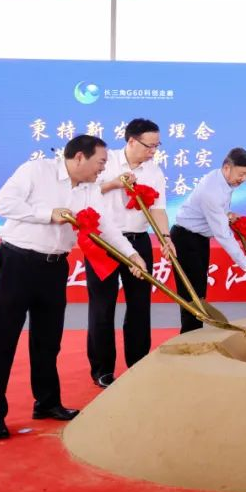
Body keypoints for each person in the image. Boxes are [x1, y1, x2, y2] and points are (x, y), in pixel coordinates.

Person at [0, 135, 145, 440]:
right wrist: (48, 215)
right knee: (3, 339)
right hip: (17, 262)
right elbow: (1, 204)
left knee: (48, 340)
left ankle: (47, 402)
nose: (103, 169)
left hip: (54, 267)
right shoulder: (36, 171)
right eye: (100, 162)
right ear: (79, 157)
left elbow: (105, 226)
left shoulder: (90, 189)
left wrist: (132, 255)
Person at [86, 118, 173, 389]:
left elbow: (158, 209)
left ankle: (138, 364)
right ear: (132, 141)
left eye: (157, 146)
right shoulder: (106, 161)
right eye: (149, 146)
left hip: (138, 242)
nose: (153, 151)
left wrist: (165, 238)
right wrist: (114, 184)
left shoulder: (154, 171)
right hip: (104, 242)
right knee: (103, 306)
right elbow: (85, 192)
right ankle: (102, 370)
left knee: (139, 306)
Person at [170, 147, 246, 333]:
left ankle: (195, 335)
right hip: (186, 240)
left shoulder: (222, 180)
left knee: (199, 293)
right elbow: (222, 234)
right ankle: (189, 339)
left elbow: (218, 213)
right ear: (227, 167)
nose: (244, 179)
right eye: (241, 174)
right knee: (192, 296)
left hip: (199, 238)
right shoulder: (211, 190)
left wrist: (227, 215)